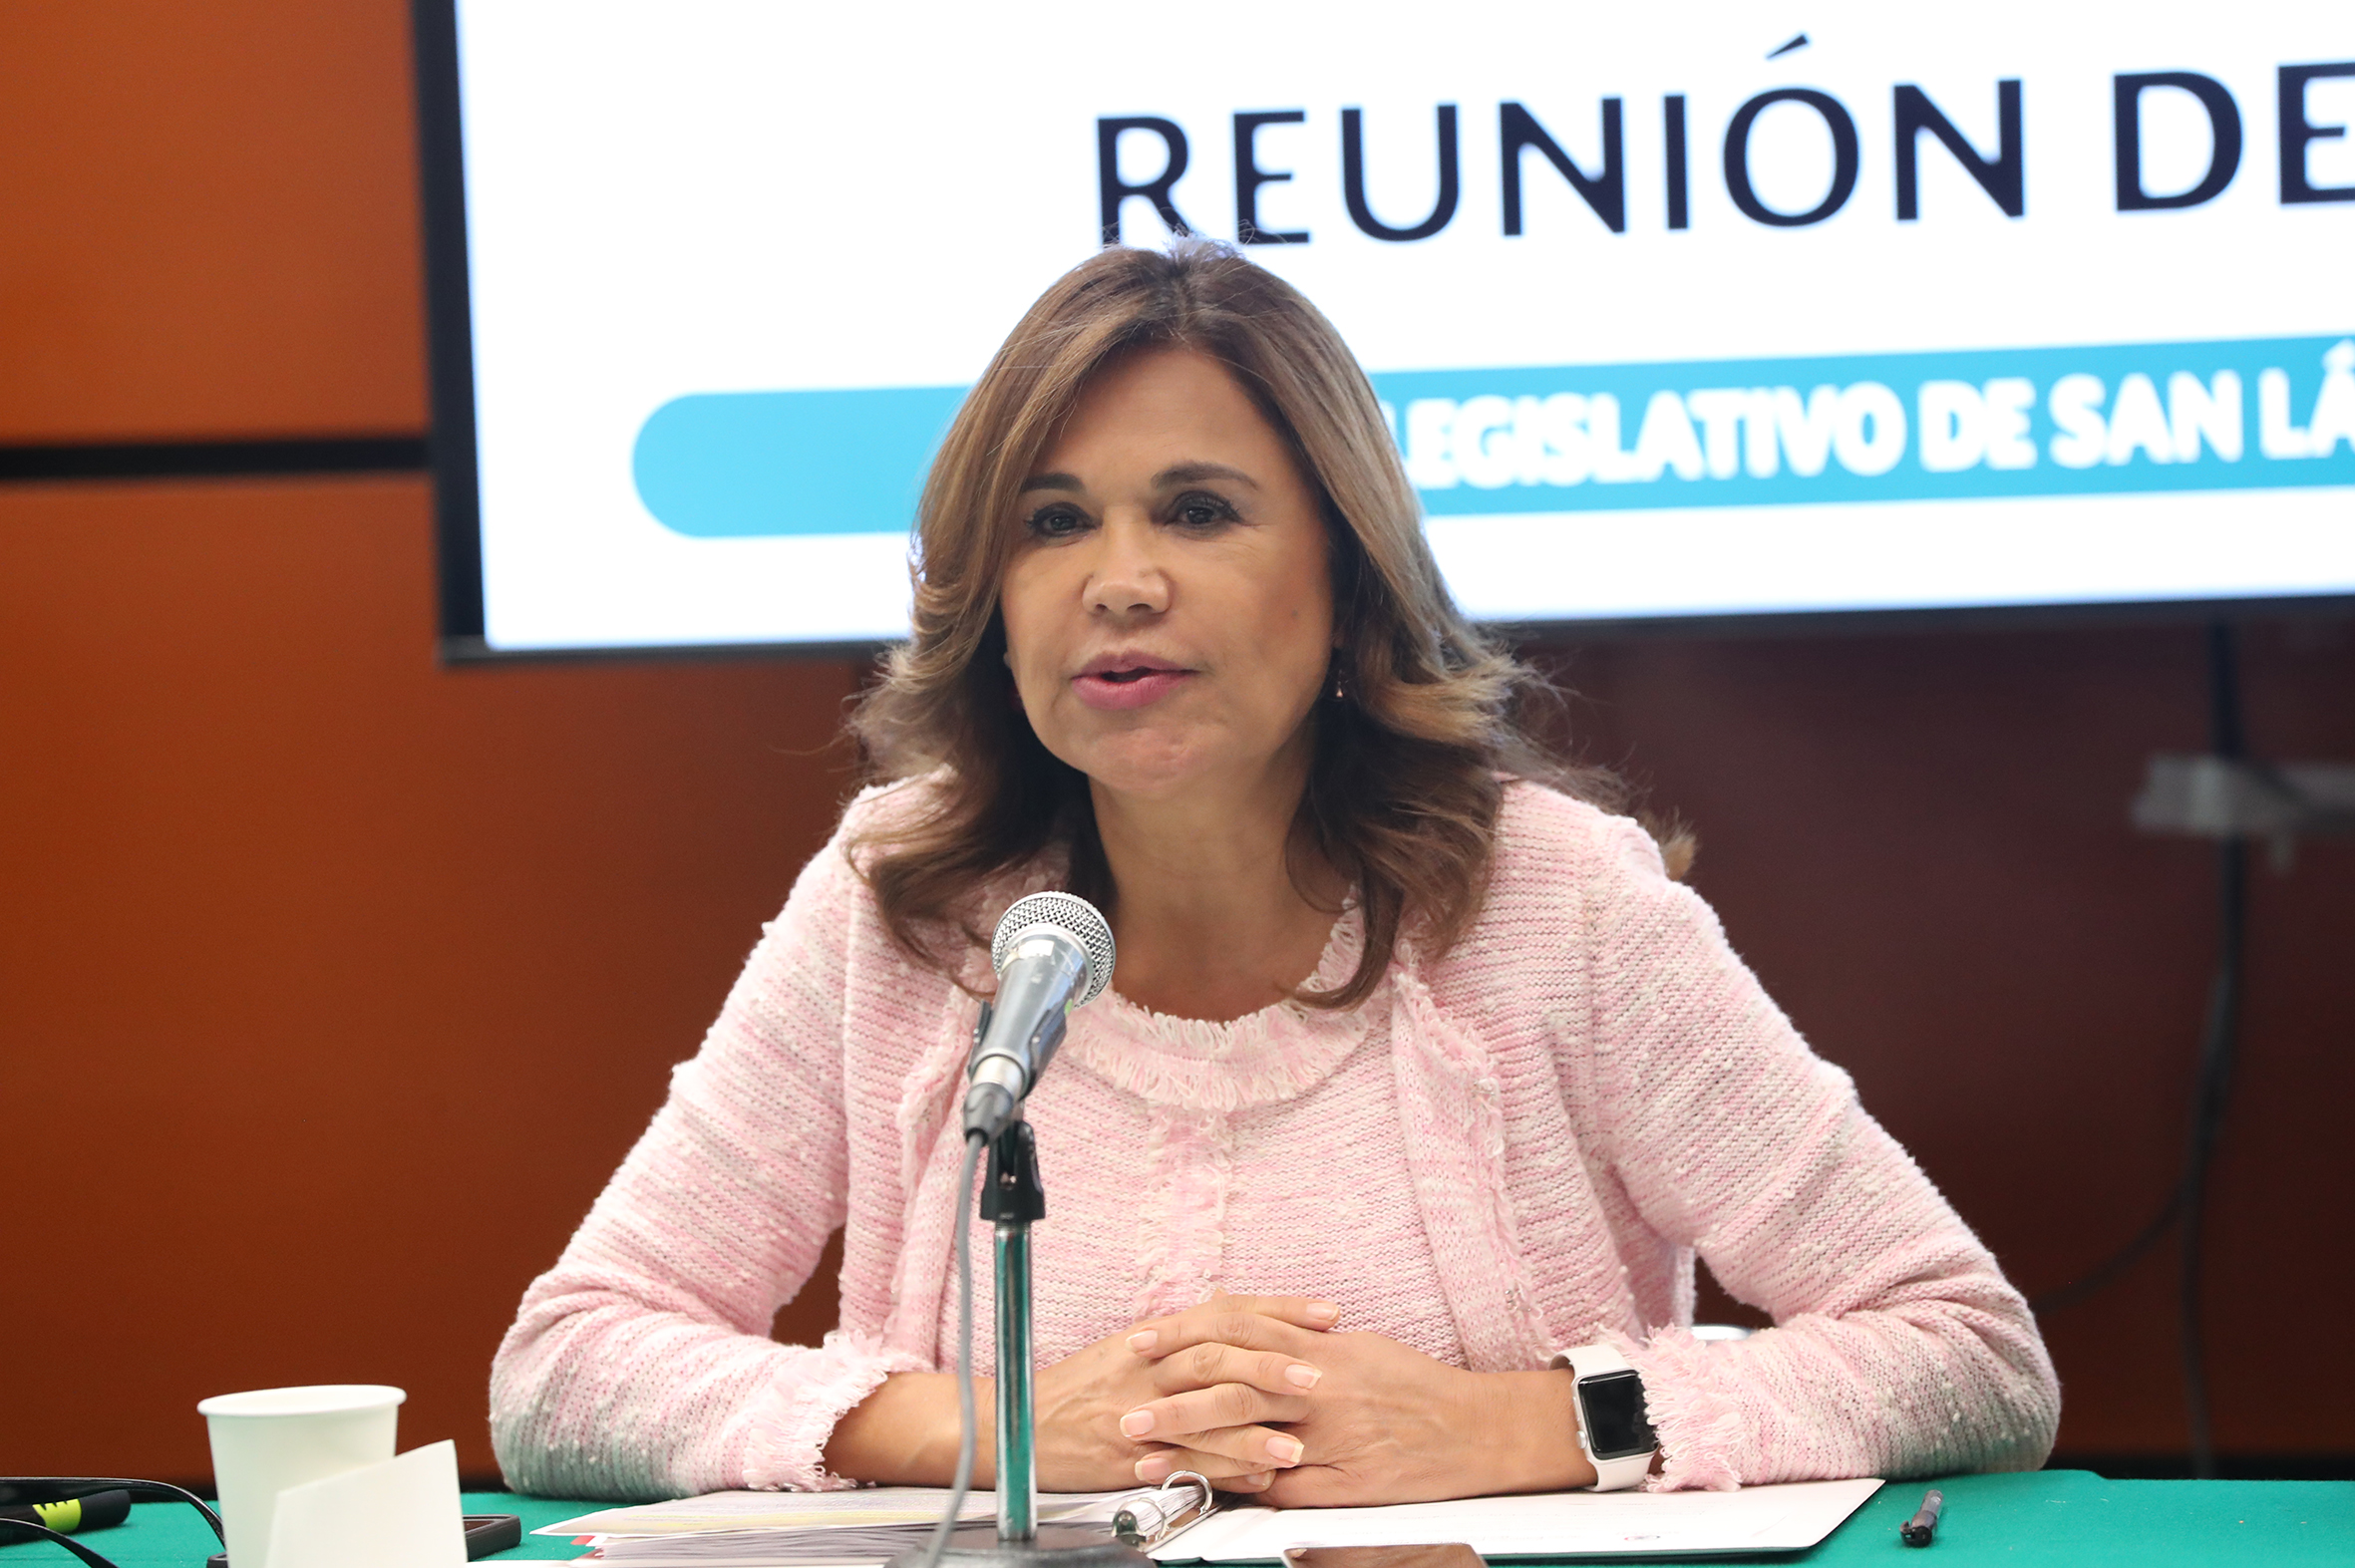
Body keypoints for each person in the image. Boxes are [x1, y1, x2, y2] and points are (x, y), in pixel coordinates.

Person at [490, 241, 2059, 1505]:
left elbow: (1966, 1353)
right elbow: (566, 1370)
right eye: (1052, 522)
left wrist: (1512, 1426)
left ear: (1346, 575)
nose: (1118, 581)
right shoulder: (899, 899)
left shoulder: (1554, 905)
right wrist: (991, 1427)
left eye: (1198, 511)